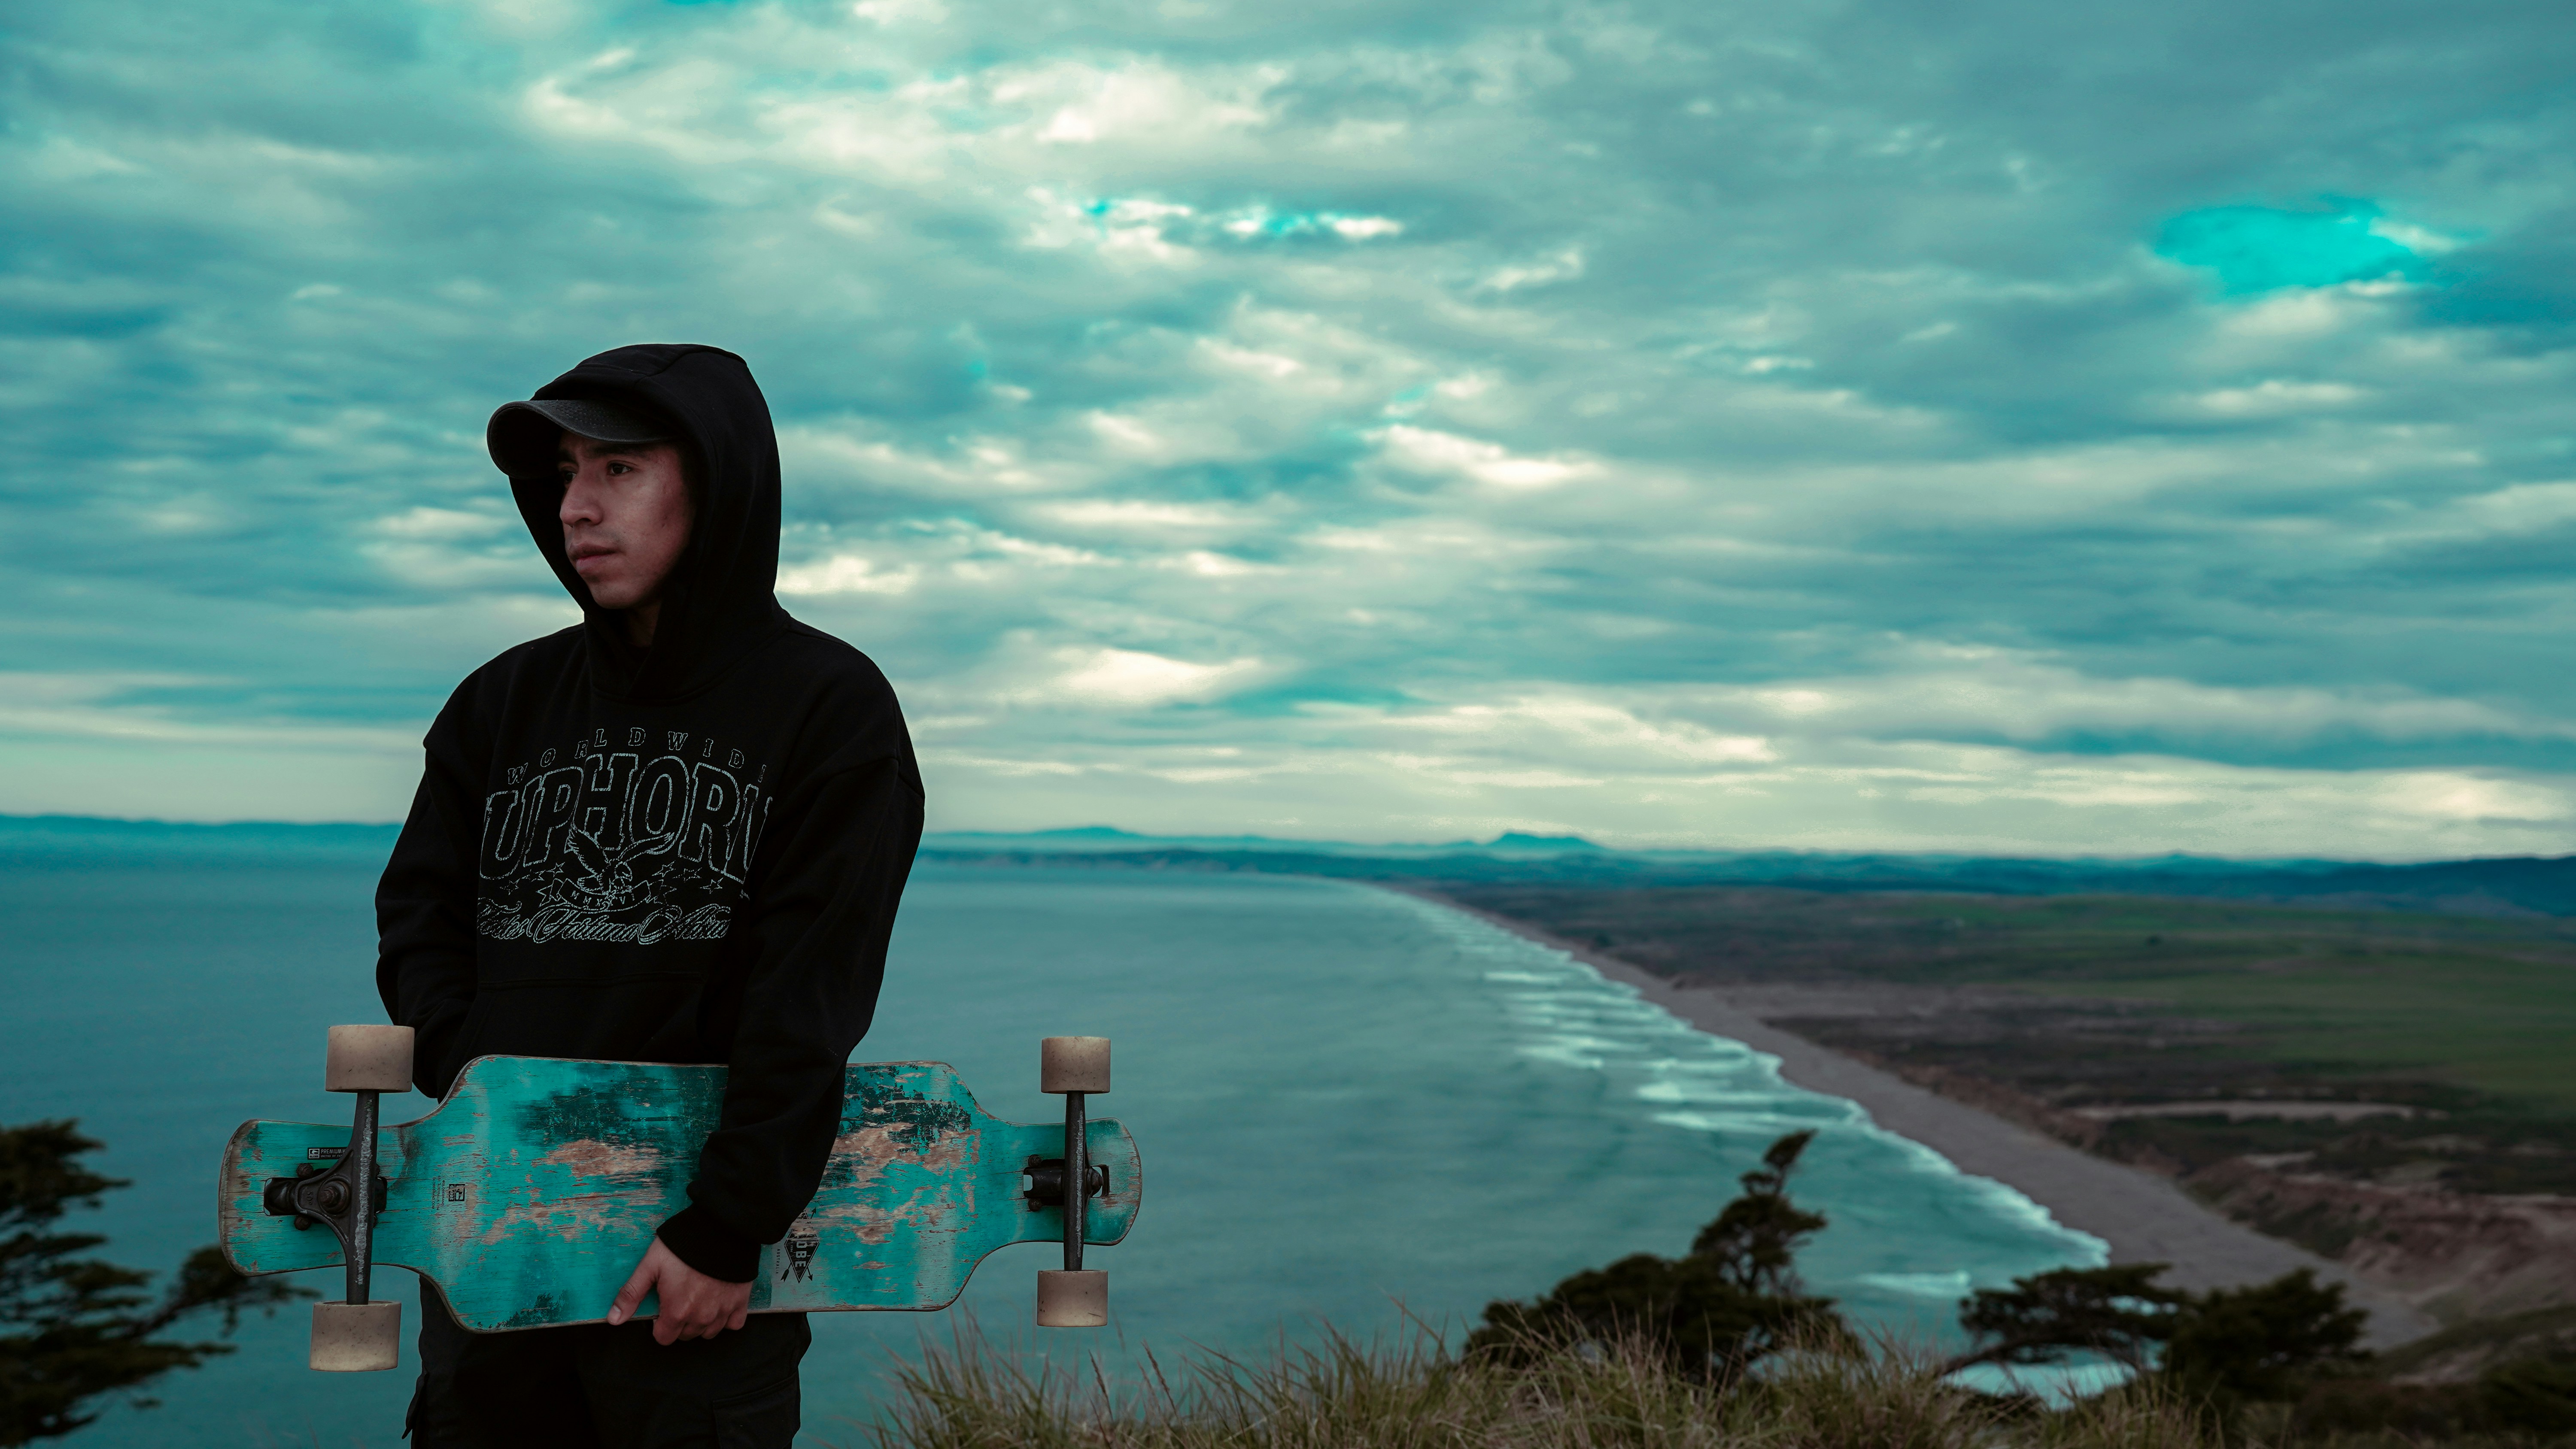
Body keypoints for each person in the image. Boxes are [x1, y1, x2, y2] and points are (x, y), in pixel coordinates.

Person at [374, 343, 924, 1446]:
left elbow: (809, 994)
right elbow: (418, 918)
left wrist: (727, 1227)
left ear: (717, 483)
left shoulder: (829, 706)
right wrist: (472, 1061)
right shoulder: (501, 700)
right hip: (496, 1252)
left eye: (619, 468)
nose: (576, 507)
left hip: (691, 1285)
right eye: (565, 473)